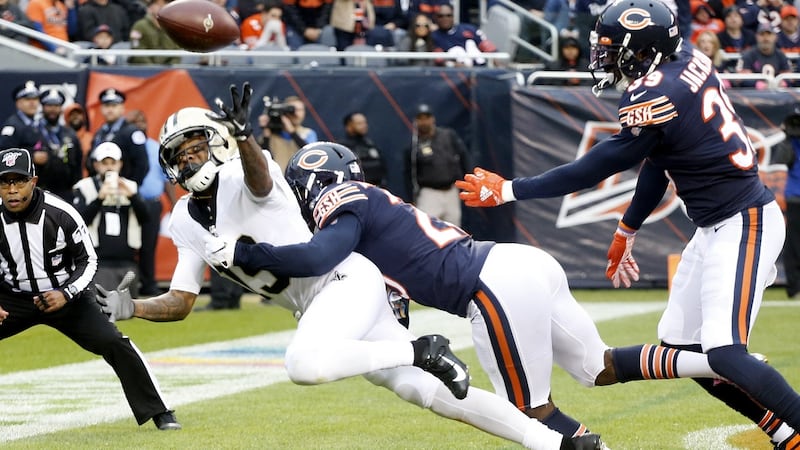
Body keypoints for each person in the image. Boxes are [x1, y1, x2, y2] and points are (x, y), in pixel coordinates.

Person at [97, 82, 605, 450]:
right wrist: (133, 307)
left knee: (304, 365)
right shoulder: (184, 220)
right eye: (181, 155)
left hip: (342, 280)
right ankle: (557, 444)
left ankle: (419, 348)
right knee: (426, 391)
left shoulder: (246, 171)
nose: (191, 160)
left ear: (219, 143)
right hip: (321, 304)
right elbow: (182, 299)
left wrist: (247, 137)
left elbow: (258, 180)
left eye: (197, 147)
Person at [206, 141, 728, 446]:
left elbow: (317, 258)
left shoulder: (341, 199)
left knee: (530, 416)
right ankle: (716, 362)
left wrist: (247, 253)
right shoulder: (372, 202)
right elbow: (392, 303)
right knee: (599, 367)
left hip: (489, 285)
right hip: (520, 263)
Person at [455, 1, 800, 447]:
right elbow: (658, 160)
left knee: (724, 351)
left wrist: (509, 189)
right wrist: (627, 228)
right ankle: (784, 434)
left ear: (645, 50)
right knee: (680, 347)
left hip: (744, 222)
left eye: (613, 49)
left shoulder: (656, 93)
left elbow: (598, 165)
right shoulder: (685, 60)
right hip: (715, 226)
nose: (605, 57)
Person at [0, 147, 179, 431]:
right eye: (4, 182)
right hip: (13, 298)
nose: (12, 190)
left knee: (113, 342)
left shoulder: (61, 213)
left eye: (19, 181)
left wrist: (66, 293)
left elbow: (89, 260)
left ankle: (160, 411)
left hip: (65, 294)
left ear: (33, 181)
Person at [73, 142, 149, 298]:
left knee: (128, 307)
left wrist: (132, 197)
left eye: (113, 163)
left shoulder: (131, 186)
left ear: (120, 164)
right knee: (102, 305)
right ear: (96, 165)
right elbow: (79, 221)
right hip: (99, 262)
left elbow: (146, 217)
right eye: (104, 163)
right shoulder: (84, 187)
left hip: (127, 262)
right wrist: (99, 198)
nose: (109, 167)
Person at [124, 109, 174, 296]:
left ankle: (148, 284)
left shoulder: (156, 148)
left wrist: (174, 204)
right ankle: (129, 285)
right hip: (128, 203)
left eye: (142, 121)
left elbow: (166, 179)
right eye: (134, 122)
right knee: (128, 246)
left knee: (148, 246)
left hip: (151, 203)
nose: (139, 125)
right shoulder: (124, 146)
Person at [404, 103, 472, 227]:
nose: (424, 122)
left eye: (427, 118)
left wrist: (468, 183)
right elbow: (408, 174)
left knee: (454, 229)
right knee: (427, 229)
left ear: (433, 119)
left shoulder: (448, 135)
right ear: (416, 121)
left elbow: (463, 157)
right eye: (420, 119)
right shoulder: (413, 145)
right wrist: (411, 199)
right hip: (429, 193)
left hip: (451, 191)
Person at [90, 88, 149, 184]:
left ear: (122, 108)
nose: (110, 110)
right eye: (107, 106)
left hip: (123, 187)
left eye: (114, 106)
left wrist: (130, 187)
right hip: (101, 187)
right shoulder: (100, 133)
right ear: (101, 109)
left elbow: (142, 165)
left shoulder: (132, 132)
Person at [35, 88, 84, 202]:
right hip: (41, 190)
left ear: (61, 108)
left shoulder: (70, 133)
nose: (53, 109)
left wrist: (77, 187)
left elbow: (78, 162)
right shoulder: (34, 131)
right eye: (49, 105)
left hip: (66, 191)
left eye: (56, 106)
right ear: (42, 107)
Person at [775, 105, 800, 300]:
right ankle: (794, 286)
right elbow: (781, 159)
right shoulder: (790, 142)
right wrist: (786, 136)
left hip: (794, 195)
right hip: (794, 197)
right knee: (793, 242)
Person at [258, 95, 318, 171]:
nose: (297, 114)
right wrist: (266, 135)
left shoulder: (308, 133)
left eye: (300, 110)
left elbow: (311, 154)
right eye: (292, 110)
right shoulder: (271, 136)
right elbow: (263, 160)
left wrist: (292, 132)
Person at [431, 4, 497, 67]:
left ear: (453, 16)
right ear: (436, 18)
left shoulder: (469, 29)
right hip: (454, 71)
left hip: (480, 68)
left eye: (448, 15)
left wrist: (498, 64)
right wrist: (453, 65)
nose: (445, 19)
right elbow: (439, 59)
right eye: (441, 16)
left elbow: (488, 47)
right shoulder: (434, 36)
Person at [736, 22, 791, 89]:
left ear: (775, 37)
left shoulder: (781, 55)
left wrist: (782, 83)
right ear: (756, 36)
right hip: (753, 92)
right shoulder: (748, 55)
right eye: (762, 34)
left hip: (778, 91)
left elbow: (789, 77)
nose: (765, 38)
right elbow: (742, 79)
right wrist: (757, 84)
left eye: (769, 34)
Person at [129, 0, 182, 65]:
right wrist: (152, 67)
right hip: (143, 67)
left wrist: (171, 66)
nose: (161, 6)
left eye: (165, 3)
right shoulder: (139, 26)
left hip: (169, 68)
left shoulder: (173, 26)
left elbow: (177, 51)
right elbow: (137, 49)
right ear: (150, 7)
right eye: (157, 4)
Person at [339, 111, 385, 186]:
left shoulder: (370, 144)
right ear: (349, 126)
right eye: (359, 123)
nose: (364, 126)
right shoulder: (343, 148)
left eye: (365, 123)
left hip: (376, 188)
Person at [0, 81, 43, 153]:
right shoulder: (12, 125)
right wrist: (33, 155)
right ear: (18, 103)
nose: (32, 103)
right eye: (27, 99)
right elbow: (5, 152)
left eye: (35, 99)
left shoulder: (38, 123)